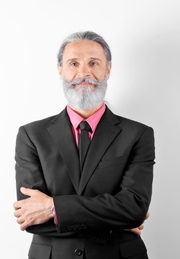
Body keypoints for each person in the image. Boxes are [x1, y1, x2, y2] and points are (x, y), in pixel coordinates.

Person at [13, 31, 155, 259]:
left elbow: (133, 209)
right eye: (73, 63)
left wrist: (53, 208)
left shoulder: (138, 134)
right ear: (60, 70)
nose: (84, 72)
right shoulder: (31, 135)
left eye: (94, 63)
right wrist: (114, 222)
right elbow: (31, 219)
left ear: (108, 69)